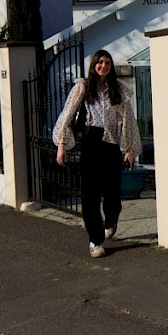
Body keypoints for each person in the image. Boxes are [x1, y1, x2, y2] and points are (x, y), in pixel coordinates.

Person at [52, 50, 143, 258]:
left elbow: (128, 120)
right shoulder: (83, 87)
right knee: (90, 195)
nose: (104, 66)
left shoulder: (118, 89)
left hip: (112, 145)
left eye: (107, 63)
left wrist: (129, 149)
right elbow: (67, 114)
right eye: (100, 62)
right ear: (94, 64)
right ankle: (95, 240)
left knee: (113, 193)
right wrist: (62, 144)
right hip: (91, 142)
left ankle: (110, 222)